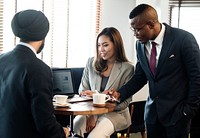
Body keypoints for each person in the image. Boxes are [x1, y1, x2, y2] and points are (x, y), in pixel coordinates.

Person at [106, 4, 200, 138]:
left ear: (151, 24)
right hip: (152, 117)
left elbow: (196, 77)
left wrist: (188, 110)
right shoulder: (140, 44)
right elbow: (140, 77)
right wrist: (119, 94)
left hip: (178, 115)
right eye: (132, 29)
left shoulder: (184, 39)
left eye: (137, 29)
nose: (134, 34)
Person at [0, 9, 69, 138]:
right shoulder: (39, 69)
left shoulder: (1, 59)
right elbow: (44, 123)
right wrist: (62, 133)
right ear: (43, 36)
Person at [73, 27, 134, 138]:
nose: (101, 49)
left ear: (116, 45)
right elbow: (82, 91)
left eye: (105, 45)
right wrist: (91, 114)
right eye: (99, 45)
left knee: (95, 136)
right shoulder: (91, 62)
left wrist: (97, 96)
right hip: (90, 110)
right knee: (77, 123)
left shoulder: (128, 68)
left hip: (115, 114)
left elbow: (124, 103)